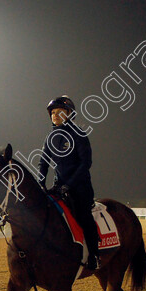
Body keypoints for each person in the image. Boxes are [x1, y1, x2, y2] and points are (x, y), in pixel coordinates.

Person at [37, 95, 100, 270]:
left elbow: (85, 163)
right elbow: (43, 162)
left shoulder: (79, 134)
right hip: (59, 186)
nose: (54, 116)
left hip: (80, 188)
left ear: (70, 113)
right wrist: (40, 183)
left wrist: (69, 184)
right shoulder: (50, 137)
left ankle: (94, 255)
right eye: (52, 113)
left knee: (83, 216)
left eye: (59, 112)